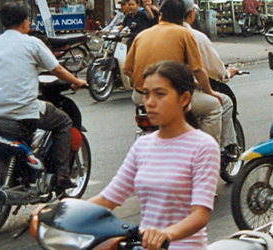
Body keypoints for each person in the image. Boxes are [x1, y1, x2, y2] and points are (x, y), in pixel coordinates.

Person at [87, 61, 220, 250]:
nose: (149, 102)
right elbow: (108, 199)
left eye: (160, 94)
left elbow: (199, 215)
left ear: (184, 99)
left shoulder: (203, 146)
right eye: (146, 94)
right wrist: (62, 212)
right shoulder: (142, 145)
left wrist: (166, 234)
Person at [0, 1, 87, 186]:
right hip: (24, 112)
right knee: (63, 122)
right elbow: (58, 70)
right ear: (24, 22)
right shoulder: (32, 43)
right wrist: (76, 81)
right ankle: (62, 175)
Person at [123, 0, 226, 142]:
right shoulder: (184, 34)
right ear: (186, 16)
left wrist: (143, 86)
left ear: (160, 15)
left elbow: (127, 70)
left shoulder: (142, 34)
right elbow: (198, 70)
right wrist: (210, 91)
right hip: (170, 99)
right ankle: (207, 157)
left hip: (141, 97)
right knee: (213, 107)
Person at [183, 0, 239, 152]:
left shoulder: (149, 34)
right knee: (222, 102)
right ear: (191, 14)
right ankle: (211, 152)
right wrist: (226, 74)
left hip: (144, 94)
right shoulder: (194, 36)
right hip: (179, 93)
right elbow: (206, 69)